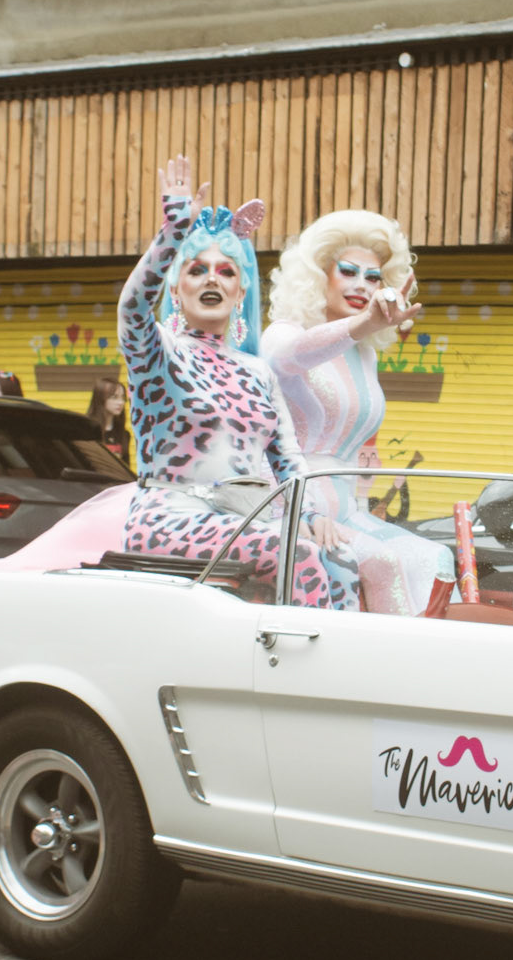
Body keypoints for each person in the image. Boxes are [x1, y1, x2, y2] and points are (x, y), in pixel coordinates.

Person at [117, 156, 340, 606]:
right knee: (297, 555)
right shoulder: (158, 352)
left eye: (226, 271)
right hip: (169, 517)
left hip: (240, 523)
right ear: (175, 289)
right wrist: (172, 234)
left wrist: (312, 513)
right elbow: (133, 308)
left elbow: (287, 458)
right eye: (196, 269)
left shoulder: (258, 371)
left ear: (240, 291)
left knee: (343, 562)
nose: (211, 279)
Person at [263, 211, 454, 616]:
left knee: (437, 558)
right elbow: (289, 356)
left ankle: (433, 652)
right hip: (289, 507)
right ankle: (385, 655)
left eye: (373, 278)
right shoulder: (284, 332)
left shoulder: (365, 353)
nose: (361, 285)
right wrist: (364, 323)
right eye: (348, 272)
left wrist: (363, 329)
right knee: (384, 563)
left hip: (347, 510)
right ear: (317, 275)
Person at [86, 374, 130, 468]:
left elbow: (126, 468)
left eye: (123, 397)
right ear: (100, 399)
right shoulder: (87, 431)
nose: (121, 402)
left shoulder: (124, 434)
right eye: (114, 397)